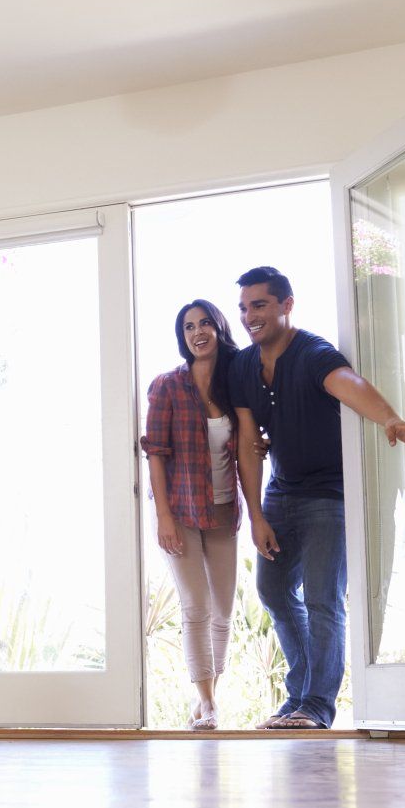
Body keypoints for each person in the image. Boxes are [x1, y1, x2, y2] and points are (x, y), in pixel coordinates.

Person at [230, 267, 405, 729]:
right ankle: (300, 696)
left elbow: (348, 383)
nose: (249, 316)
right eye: (243, 308)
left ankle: (316, 707)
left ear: (286, 304)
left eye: (259, 305)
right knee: (274, 591)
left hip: (329, 495)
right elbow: (246, 441)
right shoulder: (243, 367)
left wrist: (390, 418)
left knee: (323, 598)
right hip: (282, 491)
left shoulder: (312, 352)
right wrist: (256, 514)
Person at [141, 300, 242, 731]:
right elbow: (156, 454)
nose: (197, 333)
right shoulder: (166, 386)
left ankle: (207, 699)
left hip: (222, 509)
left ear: (219, 328)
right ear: (182, 337)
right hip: (179, 509)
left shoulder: (236, 384)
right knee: (195, 606)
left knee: (222, 609)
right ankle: (207, 701)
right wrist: (163, 516)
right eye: (188, 327)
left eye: (204, 324)